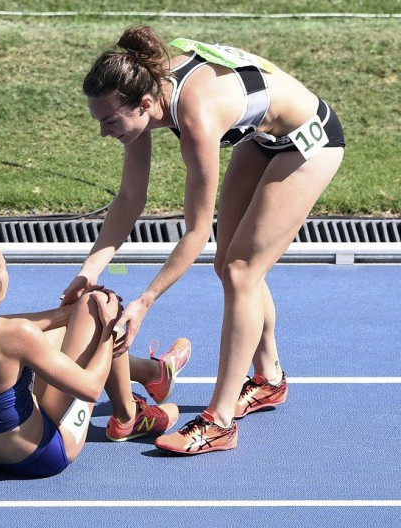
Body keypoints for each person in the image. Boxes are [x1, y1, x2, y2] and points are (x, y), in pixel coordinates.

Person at [62, 26, 345, 455]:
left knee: (240, 271)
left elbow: (197, 231)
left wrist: (144, 302)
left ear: (144, 104)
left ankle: (219, 422)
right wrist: (90, 270)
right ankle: (268, 378)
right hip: (261, 137)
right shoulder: (143, 97)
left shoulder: (194, 115)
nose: (104, 133)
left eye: (109, 122)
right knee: (230, 268)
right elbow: (129, 198)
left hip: (311, 142)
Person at [0, 234, 191, 478]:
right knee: (98, 306)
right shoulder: (15, 335)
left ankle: (151, 374)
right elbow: (92, 389)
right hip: (43, 454)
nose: (8, 271)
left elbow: (1, 332)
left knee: (77, 316)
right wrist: (109, 330)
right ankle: (128, 416)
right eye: (5, 267)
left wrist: (65, 314)